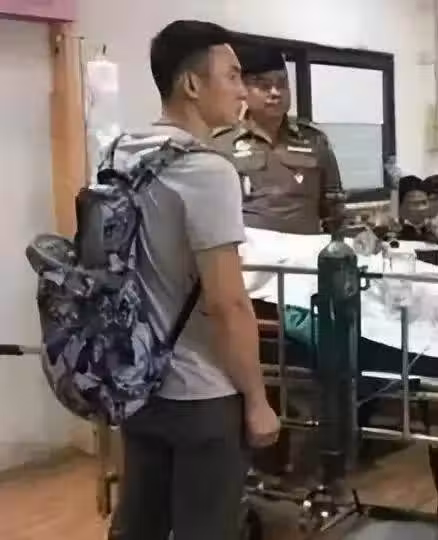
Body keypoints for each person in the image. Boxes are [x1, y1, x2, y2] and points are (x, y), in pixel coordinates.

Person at [107, 20, 280, 540]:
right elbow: (228, 304)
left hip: (138, 382)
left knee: (141, 526)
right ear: (191, 84)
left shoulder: (120, 154)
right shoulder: (208, 171)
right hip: (202, 395)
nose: (243, 91)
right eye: (232, 76)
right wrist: (258, 401)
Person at [211, 43, 344, 235]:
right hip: (249, 249)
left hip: (307, 249)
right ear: (244, 90)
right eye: (264, 86)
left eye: (282, 84)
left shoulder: (314, 140)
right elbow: (212, 213)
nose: (275, 92)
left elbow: (334, 208)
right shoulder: (222, 143)